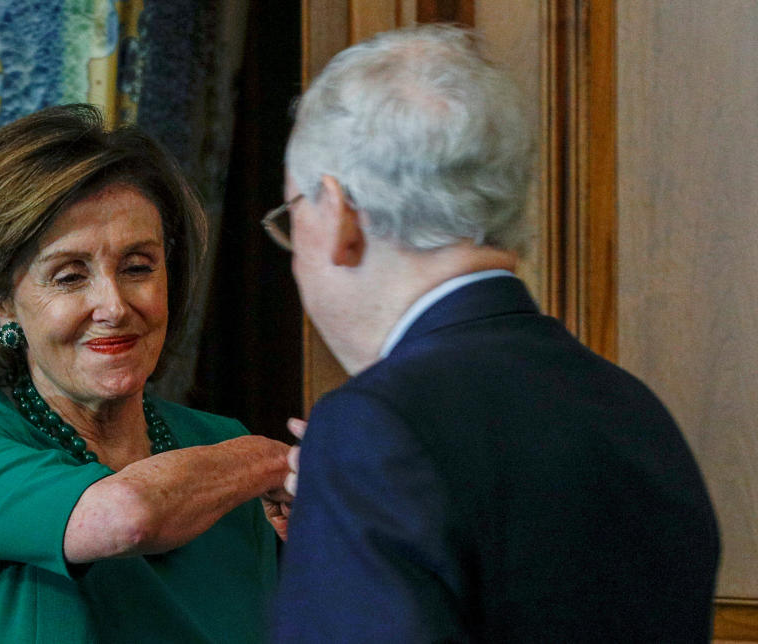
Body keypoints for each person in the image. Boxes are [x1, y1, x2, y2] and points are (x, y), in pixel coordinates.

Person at [266, 25, 720, 642]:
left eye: (293, 215)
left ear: (341, 213)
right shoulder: (635, 411)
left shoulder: (375, 430)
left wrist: (356, 472)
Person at [0, 104, 292, 643]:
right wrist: (278, 460)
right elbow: (128, 514)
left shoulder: (218, 445)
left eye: (138, 267)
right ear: (2, 301)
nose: (114, 305)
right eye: (70, 275)